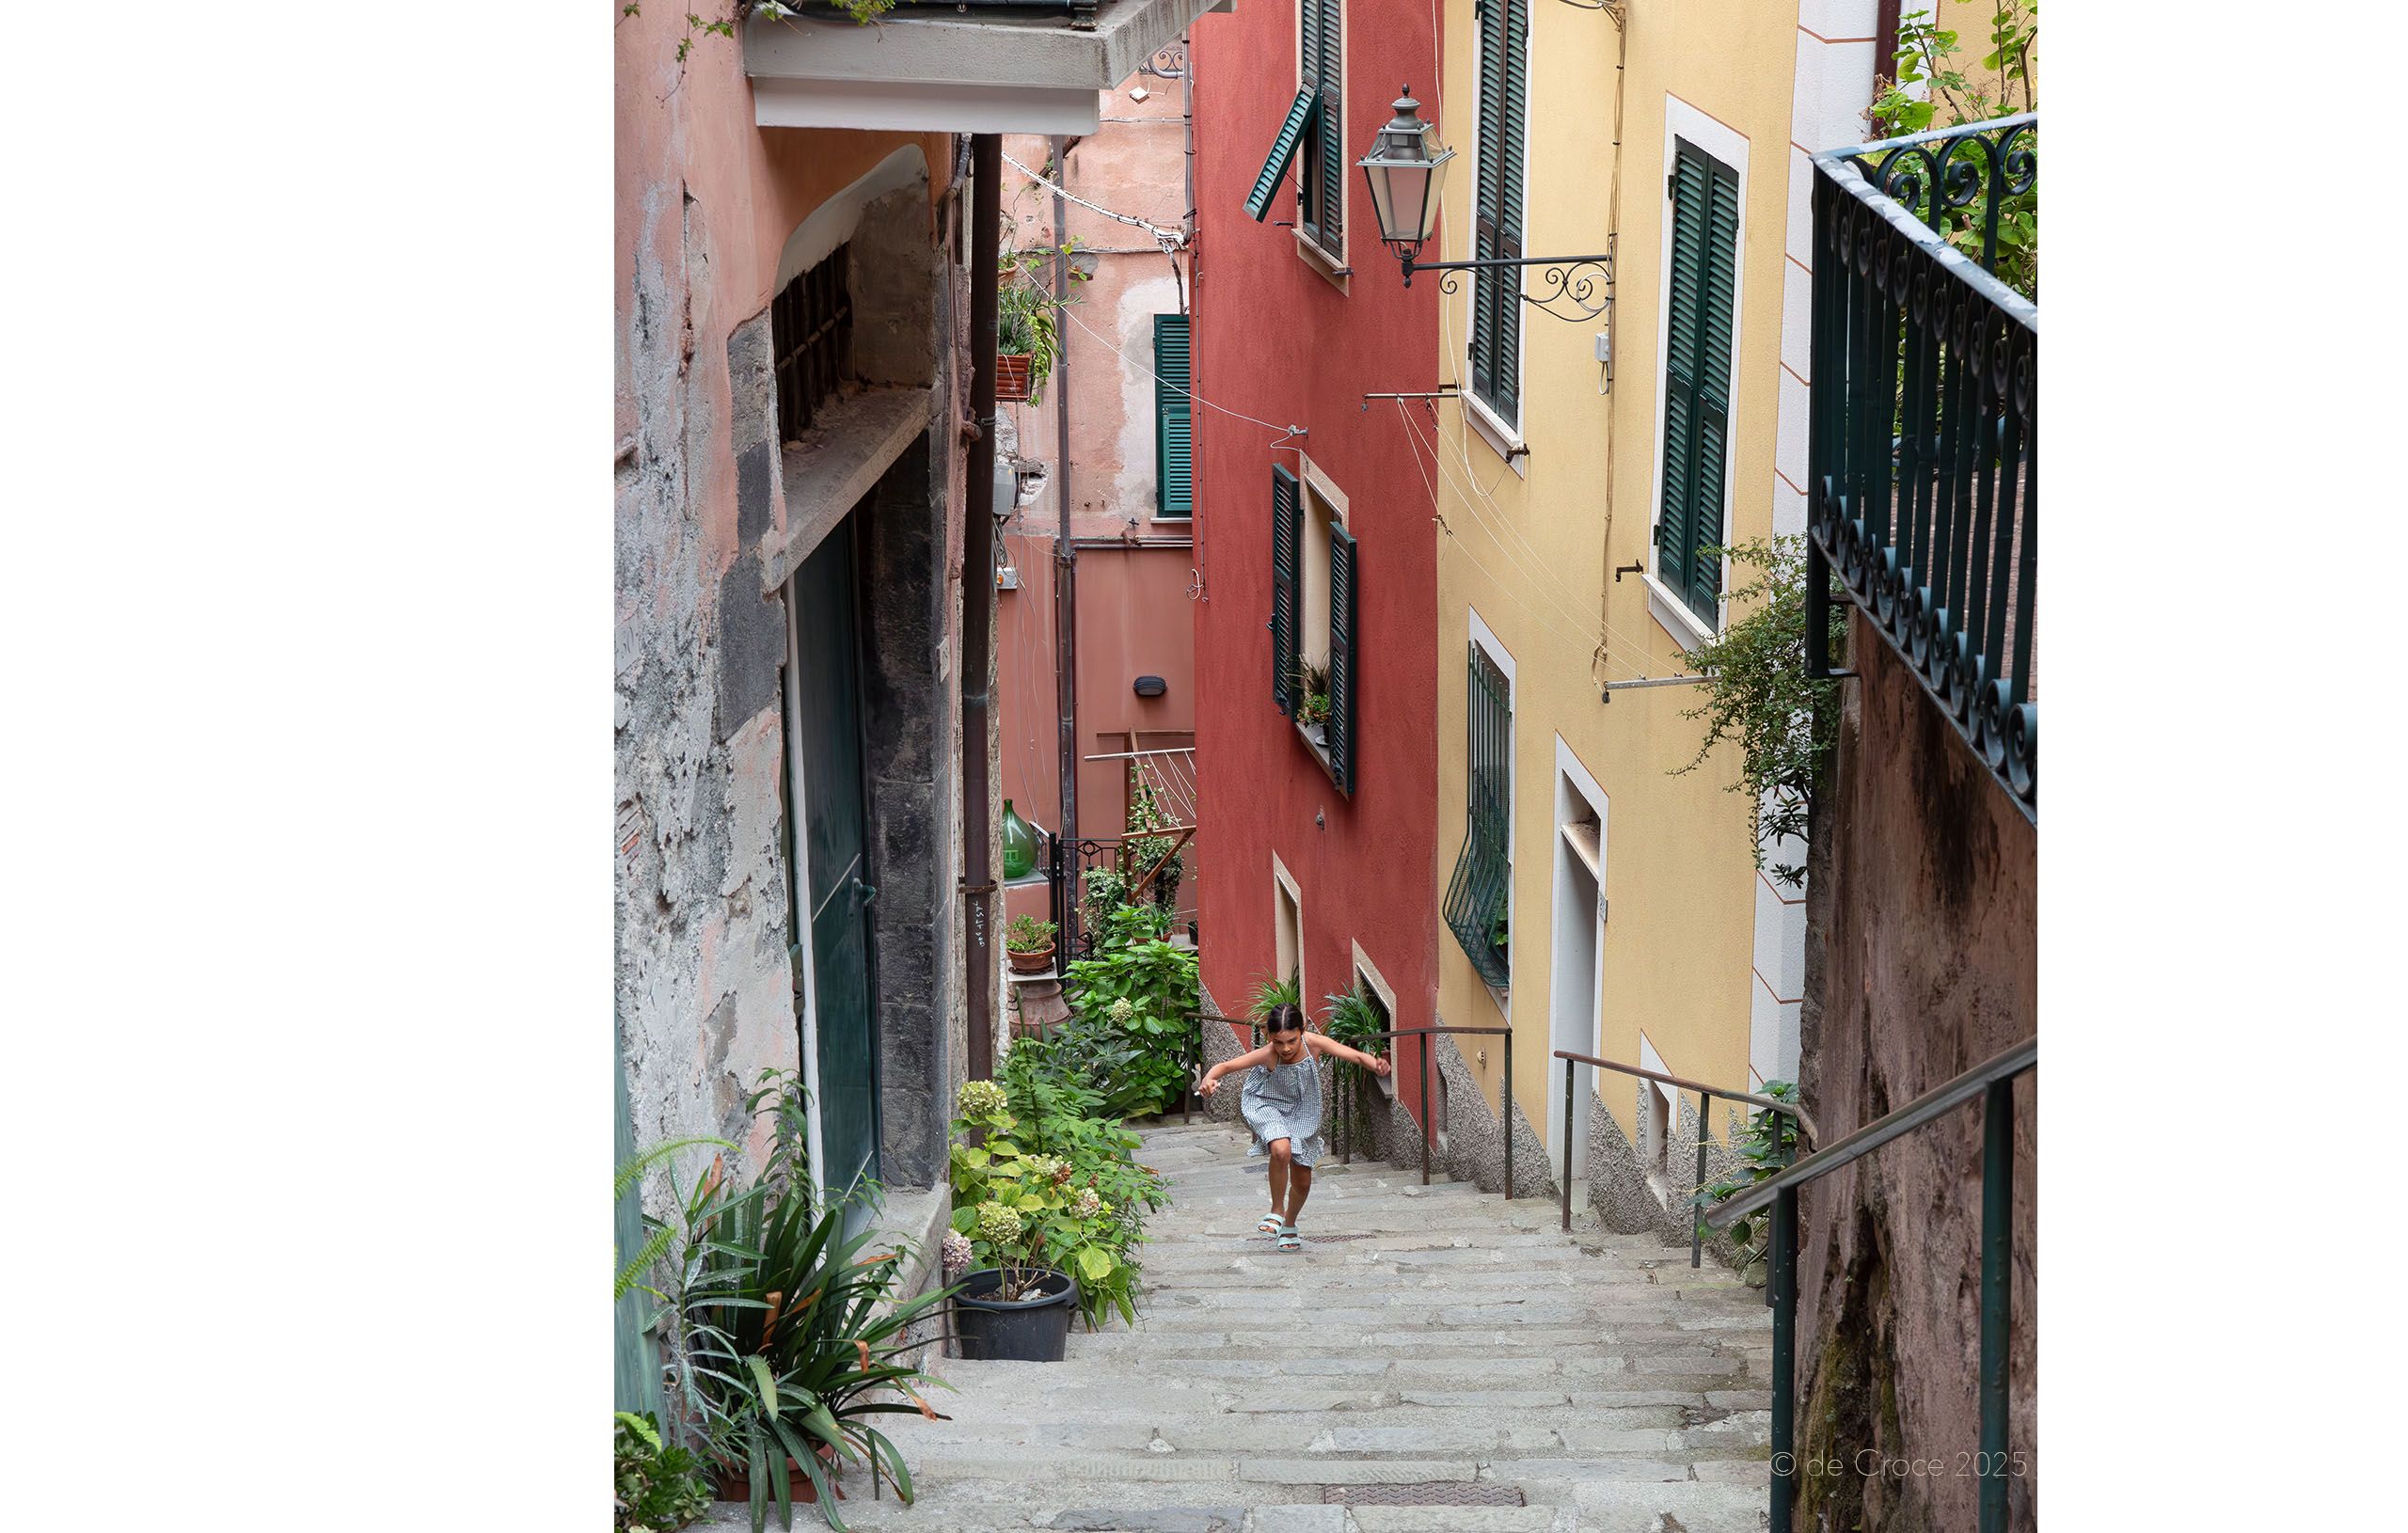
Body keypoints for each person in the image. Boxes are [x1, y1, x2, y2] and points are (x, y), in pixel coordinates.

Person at [1197, 1003, 1391, 1252]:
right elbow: (1224, 1067)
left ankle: (1289, 1224)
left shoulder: (1314, 1044)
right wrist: (1208, 1080)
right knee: (1280, 1148)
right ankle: (1276, 1210)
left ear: (1303, 1030)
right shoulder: (1268, 1053)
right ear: (1269, 1035)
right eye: (1278, 1042)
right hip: (1267, 1105)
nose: (1285, 1048)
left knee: (1302, 1181)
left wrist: (1373, 1063)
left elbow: (1351, 1054)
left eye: (1292, 1040)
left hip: (1302, 1112)